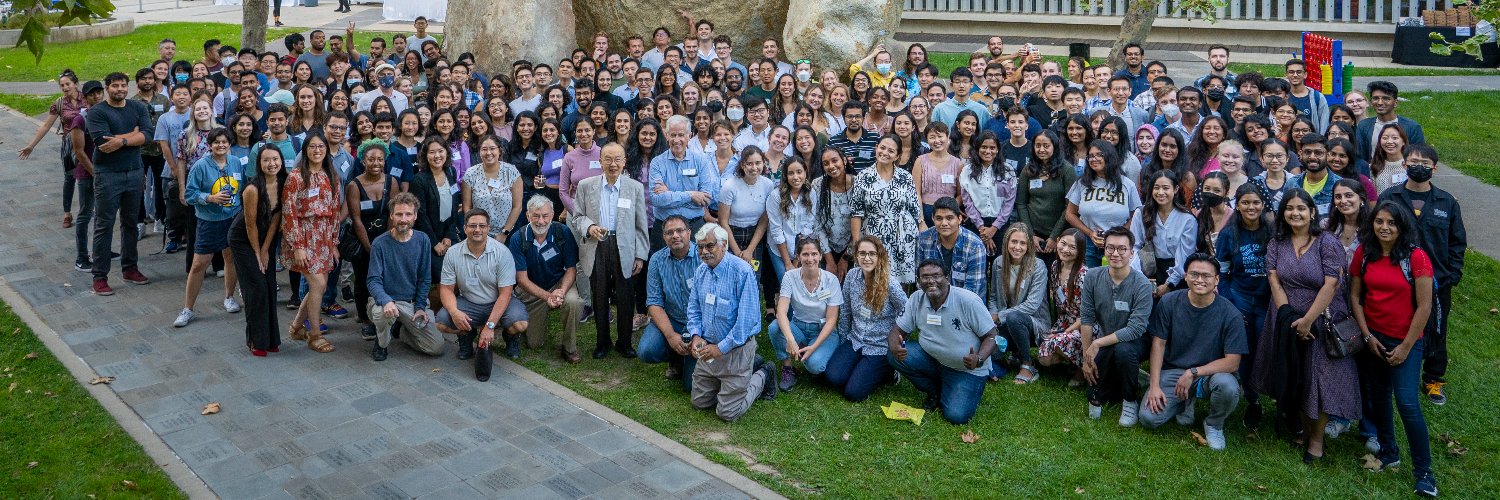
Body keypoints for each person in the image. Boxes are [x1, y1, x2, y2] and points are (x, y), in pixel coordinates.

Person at [1252, 189, 1360, 464]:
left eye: (1301, 208)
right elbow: (1274, 279)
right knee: (1296, 374)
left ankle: (1316, 439)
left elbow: (1331, 283)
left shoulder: (1327, 242)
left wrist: (1308, 320)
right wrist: (1288, 316)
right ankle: (1300, 426)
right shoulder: (1277, 242)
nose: (1295, 213)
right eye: (1289, 208)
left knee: (1319, 379)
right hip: (1286, 318)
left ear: (1312, 212)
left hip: (1322, 320)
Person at [1348, 201, 1439, 497]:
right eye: (1379, 221)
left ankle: (1424, 472)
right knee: (1379, 396)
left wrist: (1406, 345)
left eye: (1391, 223)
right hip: (1373, 337)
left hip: (1406, 341)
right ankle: (1389, 451)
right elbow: (1355, 297)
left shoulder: (1416, 258)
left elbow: (1424, 306)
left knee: (1408, 404)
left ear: (1402, 227)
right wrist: (1366, 335)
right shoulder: (1364, 253)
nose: (1384, 228)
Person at [1378, 143, 1465, 406]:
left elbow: (1456, 241)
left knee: (1437, 328)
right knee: (1395, 324)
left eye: (1426, 164)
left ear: (1435, 169)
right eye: (1414, 162)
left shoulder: (1447, 202)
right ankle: (1394, 370)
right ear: (1404, 165)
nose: (1419, 167)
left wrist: (1452, 273)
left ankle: (1433, 378)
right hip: (1398, 277)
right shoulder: (1390, 198)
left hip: (1438, 279)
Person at [1139, 254, 1247, 451]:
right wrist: (1155, 385)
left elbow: (1232, 363)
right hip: (1173, 371)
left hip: (1210, 375)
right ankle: (1184, 401)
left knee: (1228, 387)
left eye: (1206, 276)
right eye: (1194, 274)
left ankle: (1214, 424)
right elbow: (1158, 345)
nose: (1199, 280)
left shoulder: (1230, 314)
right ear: (1185, 276)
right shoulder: (1169, 302)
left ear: (1217, 280)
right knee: (1149, 419)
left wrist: (1193, 372)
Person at [887, 259, 1000, 424]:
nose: (931, 281)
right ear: (919, 282)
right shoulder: (916, 298)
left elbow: (992, 335)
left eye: (936, 276)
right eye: (925, 277)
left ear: (948, 278)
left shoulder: (968, 301)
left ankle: (966, 387)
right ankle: (935, 390)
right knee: (893, 355)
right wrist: (895, 346)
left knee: (955, 416)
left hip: (967, 368)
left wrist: (979, 358)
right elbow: (897, 330)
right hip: (933, 359)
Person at [686, 223, 779, 421]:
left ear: (724, 245)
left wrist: (720, 348)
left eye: (709, 246)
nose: (704, 251)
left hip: (736, 349)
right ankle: (740, 374)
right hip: (708, 349)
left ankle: (763, 374)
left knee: (728, 413)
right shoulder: (701, 271)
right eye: (700, 247)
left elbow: (746, 323)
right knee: (699, 403)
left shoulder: (743, 272)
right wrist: (695, 336)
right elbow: (693, 309)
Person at [572, 143, 649, 359]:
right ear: (600, 161)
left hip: (625, 246)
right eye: (608, 159)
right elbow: (577, 217)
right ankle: (602, 342)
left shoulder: (634, 187)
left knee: (626, 296)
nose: (613, 164)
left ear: (624, 161)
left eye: (617, 159)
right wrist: (589, 227)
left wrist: (640, 255)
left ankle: (624, 343)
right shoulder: (586, 186)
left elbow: (641, 224)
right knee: (600, 294)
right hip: (598, 245)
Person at [434, 208, 532, 367]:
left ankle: (510, 337)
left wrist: (490, 326)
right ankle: (466, 334)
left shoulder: (502, 252)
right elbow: (446, 289)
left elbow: (506, 294)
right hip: (469, 302)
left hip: (498, 301)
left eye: (482, 225)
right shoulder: (452, 253)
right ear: (465, 228)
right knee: (441, 323)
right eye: (472, 226)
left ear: (488, 228)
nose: (477, 230)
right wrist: (455, 312)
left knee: (520, 324)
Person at [85, 72, 155, 295]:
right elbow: (103, 142)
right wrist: (133, 135)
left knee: (130, 222)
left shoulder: (138, 108)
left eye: (123, 85)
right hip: (107, 175)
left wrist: (123, 139)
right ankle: (100, 276)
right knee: (104, 225)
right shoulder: (97, 112)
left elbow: (148, 135)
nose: (120, 89)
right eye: (115, 86)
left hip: (134, 172)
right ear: (107, 88)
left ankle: (130, 268)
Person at [1080, 226, 1154, 425]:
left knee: (1123, 351)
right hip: (1106, 338)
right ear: (1104, 250)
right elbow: (1086, 318)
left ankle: (1130, 400)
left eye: (1122, 249)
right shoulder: (1093, 277)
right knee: (1096, 392)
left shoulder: (1142, 285)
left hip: (1137, 341)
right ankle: (1135, 379)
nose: (1115, 253)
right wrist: (1087, 355)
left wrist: (1097, 345)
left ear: (1132, 253)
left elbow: (1136, 328)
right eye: (1110, 248)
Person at [174, 129, 243, 327]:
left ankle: (229, 297)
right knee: (199, 264)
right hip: (209, 221)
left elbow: (243, 187)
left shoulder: (236, 162)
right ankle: (188, 309)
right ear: (210, 145)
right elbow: (189, 194)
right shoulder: (200, 166)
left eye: (225, 142)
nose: (221, 145)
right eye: (217, 142)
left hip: (232, 218)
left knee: (231, 257)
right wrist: (209, 198)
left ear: (230, 144)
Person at [281, 136, 341, 353]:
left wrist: (334, 242)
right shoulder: (296, 177)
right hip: (303, 236)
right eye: (313, 146)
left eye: (321, 146)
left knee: (321, 285)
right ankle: (314, 334)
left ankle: (297, 326)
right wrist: (297, 245)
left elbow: (335, 211)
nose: (317, 150)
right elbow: (289, 213)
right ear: (305, 150)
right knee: (317, 283)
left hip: (324, 236)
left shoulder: (331, 176)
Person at [507, 196, 585, 362]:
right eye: (536, 216)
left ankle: (569, 347)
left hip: (558, 284)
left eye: (545, 215)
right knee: (534, 344)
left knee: (573, 301)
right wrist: (548, 297)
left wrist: (561, 292)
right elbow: (521, 279)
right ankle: (526, 322)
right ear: (528, 216)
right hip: (531, 290)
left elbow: (571, 269)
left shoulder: (562, 232)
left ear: (552, 215)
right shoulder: (517, 239)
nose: (541, 221)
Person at [767, 237, 843, 391]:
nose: (810, 259)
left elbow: (831, 320)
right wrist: (790, 339)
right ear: (798, 256)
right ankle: (788, 368)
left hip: (823, 330)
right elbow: (781, 312)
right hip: (798, 327)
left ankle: (818, 354)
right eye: (805, 254)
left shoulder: (831, 280)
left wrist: (814, 346)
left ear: (821, 256)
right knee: (775, 327)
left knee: (814, 366)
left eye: (814, 254)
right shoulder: (790, 277)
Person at [850, 136, 922, 288]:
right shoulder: (863, 176)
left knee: (899, 286)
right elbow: (856, 213)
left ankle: (901, 312)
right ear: (876, 148)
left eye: (891, 151)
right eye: (882, 148)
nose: (885, 153)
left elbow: (914, 209)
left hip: (902, 235)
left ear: (897, 156)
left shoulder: (905, 177)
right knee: (873, 281)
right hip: (873, 234)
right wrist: (857, 245)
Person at [988, 223, 1049, 384]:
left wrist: (999, 317)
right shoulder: (998, 263)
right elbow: (994, 296)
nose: (1017, 247)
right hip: (1005, 322)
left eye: (1022, 243)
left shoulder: (1038, 266)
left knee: (1015, 317)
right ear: (1006, 242)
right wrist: (991, 320)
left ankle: (1028, 364)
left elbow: (1032, 305)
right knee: (991, 356)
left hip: (1033, 324)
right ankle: (1013, 353)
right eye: (1014, 242)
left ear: (1029, 245)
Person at [1066, 140, 1142, 266]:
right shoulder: (1082, 183)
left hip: (1118, 245)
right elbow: (1070, 214)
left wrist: (1117, 233)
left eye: (1099, 155)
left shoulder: (1127, 184)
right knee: (1090, 280)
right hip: (1089, 243)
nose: (1094, 159)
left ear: (1109, 156)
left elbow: (1136, 215)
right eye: (1090, 156)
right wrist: (1090, 233)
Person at [648, 115, 720, 248]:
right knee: (662, 267)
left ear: (689, 136)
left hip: (694, 226)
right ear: (667, 135)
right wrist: (691, 195)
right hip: (664, 228)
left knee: (697, 267)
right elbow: (656, 199)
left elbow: (706, 199)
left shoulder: (701, 161)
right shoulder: (657, 163)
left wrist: (669, 194)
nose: (676, 140)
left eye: (681, 135)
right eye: (673, 135)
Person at [915, 197, 988, 298]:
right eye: (939, 218)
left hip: (967, 305)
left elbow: (973, 290)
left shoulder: (975, 245)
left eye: (949, 218)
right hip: (933, 301)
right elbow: (920, 281)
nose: (944, 223)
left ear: (959, 219)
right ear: (933, 219)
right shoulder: (923, 240)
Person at [1355, 81, 1425, 163]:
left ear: (1395, 103)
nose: (1380, 102)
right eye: (1376, 98)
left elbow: (1419, 157)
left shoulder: (1412, 127)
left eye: (1386, 98)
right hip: (1373, 173)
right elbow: (1360, 158)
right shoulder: (1364, 126)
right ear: (1371, 102)